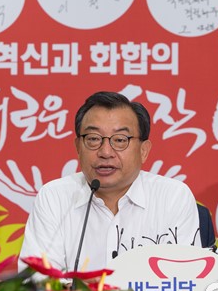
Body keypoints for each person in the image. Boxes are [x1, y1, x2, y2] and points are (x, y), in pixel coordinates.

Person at [19, 91, 201, 272]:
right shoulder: (54, 198)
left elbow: (186, 277)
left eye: (120, 140)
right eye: (93, 139)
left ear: (143, 151)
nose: (105, 152)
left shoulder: (173, 198)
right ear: (78, 147)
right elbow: (37, 279)